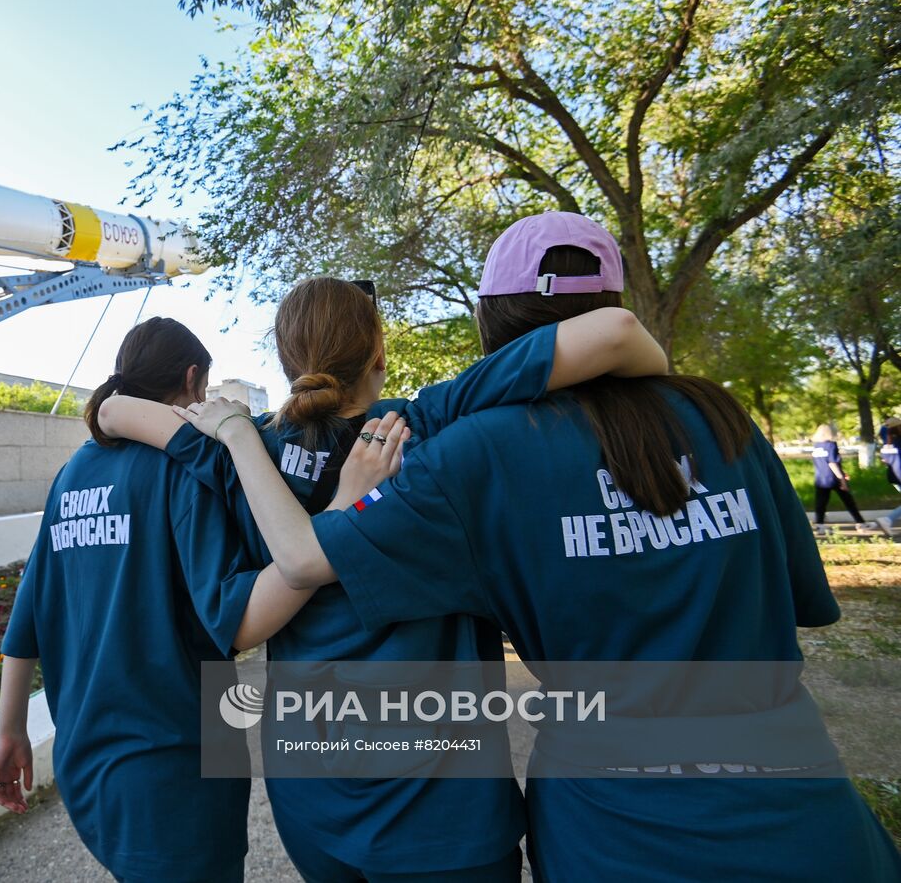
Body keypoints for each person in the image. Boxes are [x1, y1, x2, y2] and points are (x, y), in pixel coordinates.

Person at [176, 212, 901, 882]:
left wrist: (233, 433)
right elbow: (801, 602)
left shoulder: (469, 455)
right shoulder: (720, 415)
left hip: (607, 828)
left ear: (490, 319)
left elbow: (292, 568)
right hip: (804, 809)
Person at [96, 277, 669, 882]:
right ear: (379, 355)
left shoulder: (246, 454)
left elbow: (113, 409)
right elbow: (618, 332)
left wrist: (231, 426)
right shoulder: (425, 426)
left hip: (313, 804)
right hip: (443, 813)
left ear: (289, 361)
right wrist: (667, 389)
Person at [0, 316, 405, 883]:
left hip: (87, 755)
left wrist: (9, 728)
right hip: (178, 758)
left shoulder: (71, 474)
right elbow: (236, 621)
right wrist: (329, 531)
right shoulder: (182, 470)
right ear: (192, 380)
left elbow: (30, 608)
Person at [811, 423, 867, 530]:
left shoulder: (816, 446)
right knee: (848, 501)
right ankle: (861, 523)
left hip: (820, 479)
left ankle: (819, 525)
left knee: (821, 503)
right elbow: (832, 463)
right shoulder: (831, 445)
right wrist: (842, 479)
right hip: (833, 478)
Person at [879, 417, 901, 536]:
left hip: (893, 476)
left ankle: (888, 520)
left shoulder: (887, 444)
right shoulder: (899, 442)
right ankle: (887, 520)